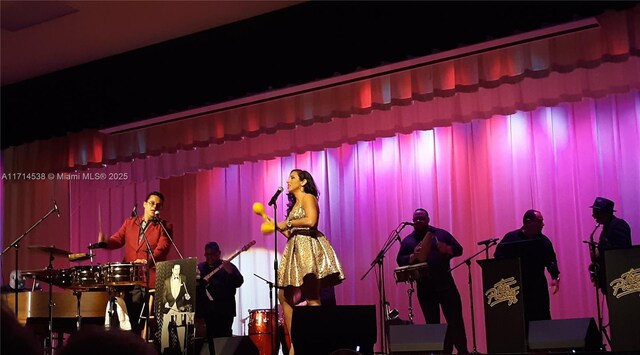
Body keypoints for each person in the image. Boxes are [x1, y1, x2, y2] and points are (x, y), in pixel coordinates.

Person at [266, 169, 345, 355]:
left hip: (308, 249)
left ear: (302, 182)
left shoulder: (308, 197)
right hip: (295, 249)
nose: (287, 181)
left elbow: (311, 221)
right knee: (284, 296)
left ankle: (314, 342)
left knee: (312, 297)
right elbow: (290, 234)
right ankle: (296, 342)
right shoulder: (294, 205)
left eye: (292, 177)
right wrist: (277, 226)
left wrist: (288, 223)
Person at [98, 191, 172, 334]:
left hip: (148, 277)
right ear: (144, 204)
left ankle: (136, 340)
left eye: (158, 205)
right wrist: (105, 242)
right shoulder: (130, 222)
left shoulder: (164, 226)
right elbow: (117, 240)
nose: (154, 207)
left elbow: (162, 249)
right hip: (130, 277)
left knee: (137, 315)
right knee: (125, 312)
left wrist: (147, 261)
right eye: (151, 203)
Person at [396, 208, 468, 354]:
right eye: (415, 219)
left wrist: (446, 249)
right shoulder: (409, 241)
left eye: (421, 218)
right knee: (433, 325)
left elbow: (459, 249)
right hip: (425, 288)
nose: (418, 221)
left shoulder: (440, 234)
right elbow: (400, 260)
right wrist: (412, 256)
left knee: (455, 322)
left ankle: (462, 351)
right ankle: (441, 352)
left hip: (445, 285)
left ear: (428, 219)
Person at [494, 209, 560, 324]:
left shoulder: (543, 241)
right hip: (516, 287)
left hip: (538, 286)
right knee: (520, 319)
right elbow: (498, 257)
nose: (543, 224)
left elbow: (551, 260)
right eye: (539, 221)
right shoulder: (511, 238)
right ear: (528, 222)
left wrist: (554, 277)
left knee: (541, 317)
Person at [196, 242, 244, 355]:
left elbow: (239, 282)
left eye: (212, 254)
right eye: (207, 254)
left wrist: (231, 273)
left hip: (224, 312)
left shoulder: (227, 266)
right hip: (206, 313)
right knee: (207, 342)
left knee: (224, 341)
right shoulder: (200, 267)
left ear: (219, 253)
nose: (209, 257)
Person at [588, 197, 632, 293]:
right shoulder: (607, 227)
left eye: (596, 212)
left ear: (605, 212)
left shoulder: (619, 225)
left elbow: (623, 251)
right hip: (609, 277)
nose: (593, 215)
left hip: (618, 277)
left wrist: (601, 251)